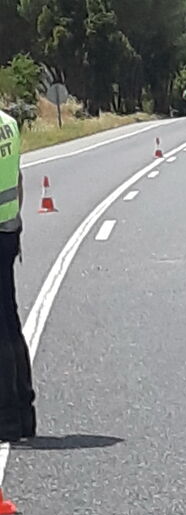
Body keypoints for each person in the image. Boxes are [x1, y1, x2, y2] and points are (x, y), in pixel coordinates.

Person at [0, 109, 36, 443]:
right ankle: (24, 412)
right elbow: (18, 180)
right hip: (9, 229)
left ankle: (7, 419)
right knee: (9, 323)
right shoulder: (8, 124)